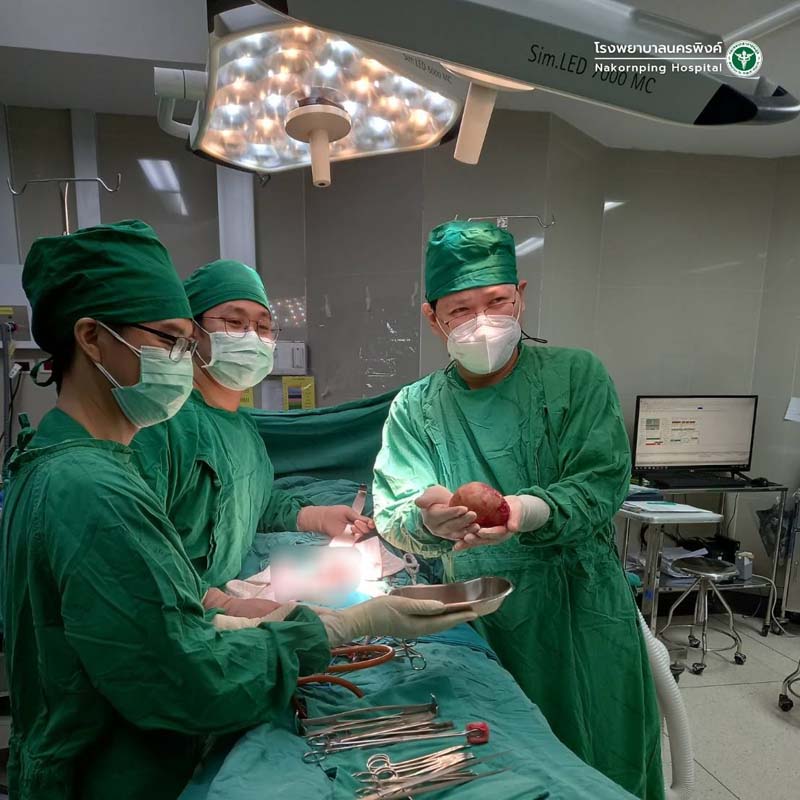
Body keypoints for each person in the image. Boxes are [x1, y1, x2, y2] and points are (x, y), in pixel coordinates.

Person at [0, 220, 475, 800]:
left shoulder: (68, 462)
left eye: (186, 342)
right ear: (92, 339)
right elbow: (184, 680)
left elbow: (144, 617)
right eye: (171, 339)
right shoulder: (92, 488)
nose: (184, 360)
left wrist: (261, 592)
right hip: (111, 772)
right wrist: (344, 626)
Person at [372, 220, 663, 800]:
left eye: (497, 301)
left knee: (597, 757)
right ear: (432, 318)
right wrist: (426, 520)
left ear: (521, 297)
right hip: (478, 614)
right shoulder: (415, 406)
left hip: (579, 608)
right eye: (460, 310)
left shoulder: (577, 375)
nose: (482, 321)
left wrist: (526, 510)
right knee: (492, 767)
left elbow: (602, 481)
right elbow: (394, 506)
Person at [131, 259, 373, 612]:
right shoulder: (164, 425)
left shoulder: (242, 429)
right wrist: (219, 604)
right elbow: (136, 545)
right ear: (192, 331)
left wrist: (317, 517)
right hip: (174, 611)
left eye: (263, 327)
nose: (252, 337)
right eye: (235, 322)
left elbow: (249, 501)